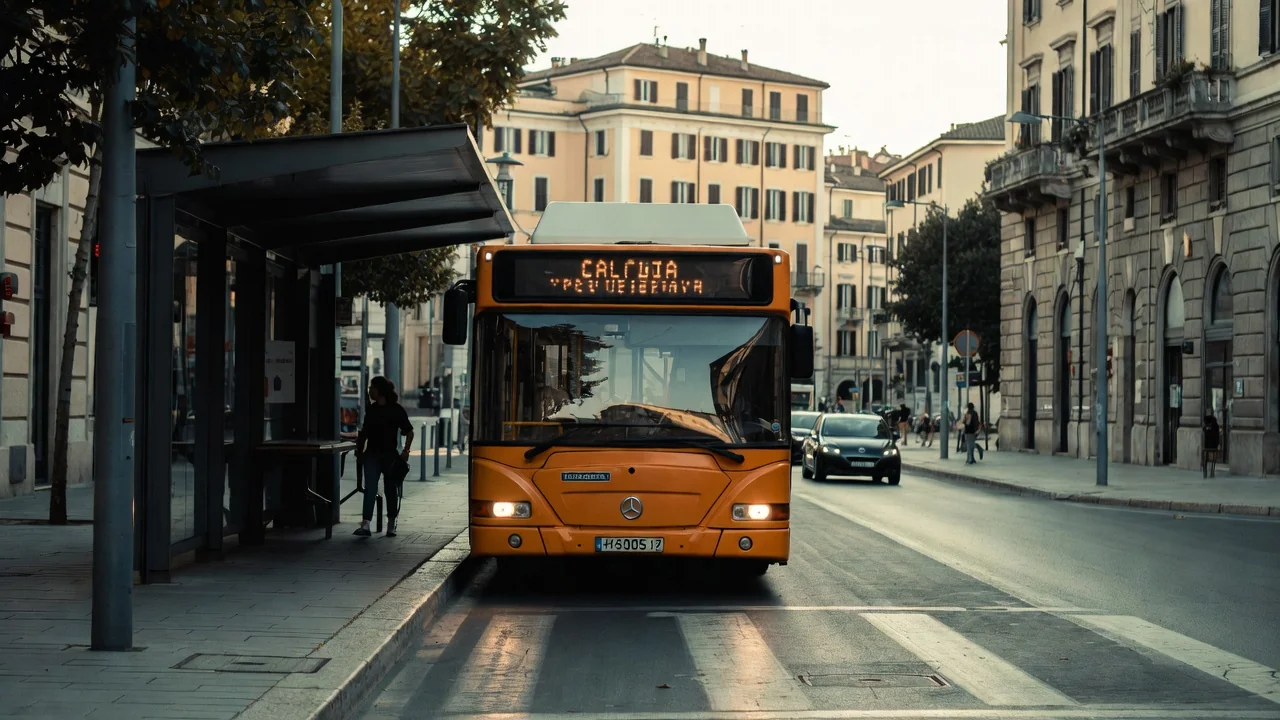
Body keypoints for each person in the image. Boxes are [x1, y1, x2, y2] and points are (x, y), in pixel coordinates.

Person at [354, 376, 414, 537]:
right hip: (375, 454)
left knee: (389, 490)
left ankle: (390, 523)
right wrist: (360, 451)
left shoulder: (395, 409)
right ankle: (367, 523)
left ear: (379, 390)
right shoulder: (373, 409)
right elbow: (365, 433)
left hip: (387, 456)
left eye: (371, 388)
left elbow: (409, 431)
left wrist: (406, 452)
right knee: (373, 489)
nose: (369, 391)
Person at [1202, 414, 1220, 478]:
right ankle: (1212, 472)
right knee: (1213, 461)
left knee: (1206, 460)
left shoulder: (1208, 426)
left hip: (1207, 446)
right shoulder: (1216, 426)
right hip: (1213, 446)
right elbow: (1217, 436)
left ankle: (1206, 472)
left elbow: (1204, 430)